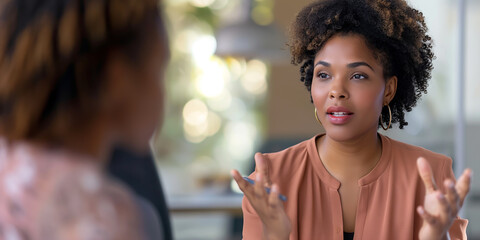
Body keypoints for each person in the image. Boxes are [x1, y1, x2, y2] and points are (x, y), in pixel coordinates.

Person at [231, 0, 472, 239]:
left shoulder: (431, 176)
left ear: (388, 90)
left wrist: (433, 237)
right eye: (323, 74)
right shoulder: (271, 181)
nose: (336, 91)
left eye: (358, 75)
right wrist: (275, 235)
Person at [0, 0, 170, 239]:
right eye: (159, 69)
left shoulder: (11, 168)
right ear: (116, 78)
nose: (163, 94)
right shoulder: (101, 212)